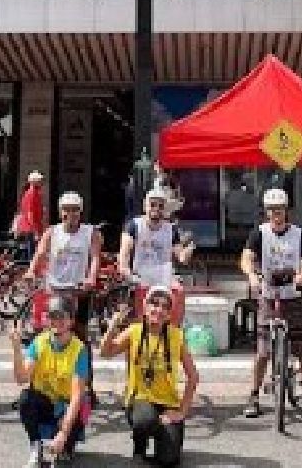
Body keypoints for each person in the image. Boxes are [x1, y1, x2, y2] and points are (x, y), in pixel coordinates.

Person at [239, 187, 302, 419]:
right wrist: (252, 276)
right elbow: (247, 258)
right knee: (263, 350)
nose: (276, 214)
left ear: (287, 211)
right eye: (272, 210)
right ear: (266, 212)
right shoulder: (259, 233)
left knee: (301, 348)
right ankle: (254, 395)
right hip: (268, 293)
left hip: (293, 294)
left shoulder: (299, 234)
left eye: (280, 210)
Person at [101, 283, 199, 466]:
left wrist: (181, 412)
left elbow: (193, 376)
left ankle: (164, 435)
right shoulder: (134, 331)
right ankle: (139, 446)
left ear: (169, 314)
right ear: (145, 307)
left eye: (165, 306)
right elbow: (105, 352)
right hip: (140, 400)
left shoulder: (176, 336)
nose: (158, 310)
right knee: (145, 419)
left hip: (168, 403)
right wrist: (113, 326)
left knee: (169, 460)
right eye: (154, 304)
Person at [11, 293, 89, 467]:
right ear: (47, 319)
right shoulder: (39, 342)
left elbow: (76, 397)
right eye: (53, 316)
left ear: (71, 321)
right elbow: (22, 378)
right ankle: (36, 446)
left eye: (62, 316)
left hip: (66, 405)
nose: (57, 321)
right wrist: (17, 349)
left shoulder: (80, 350)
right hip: (45, 402)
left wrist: (63, 432)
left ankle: (65, 444)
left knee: (65, 448)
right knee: (25, 399)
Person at [26, 191, 103, 356]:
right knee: (51, 331)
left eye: (75, 209)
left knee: (80, 333)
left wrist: (91, 278)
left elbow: (95, 257)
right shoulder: (52, 232)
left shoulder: (91, 232)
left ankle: (85, 377)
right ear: (61, 212)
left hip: (79, 289)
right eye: (66, 209)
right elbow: (39, 254)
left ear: (80, 212)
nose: (71, 214)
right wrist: (31, 270)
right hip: (55, 288)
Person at [120, 189, 195, 319]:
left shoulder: (171, 229)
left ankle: (173, 331)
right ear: (145, 206)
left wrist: (189, 249)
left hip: (164, 277)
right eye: (153, 204)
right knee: (143, 308)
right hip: (141, 276)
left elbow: (182, 258)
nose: (156, 209)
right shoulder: (133, 225)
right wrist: (128, 274)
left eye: (160, 206)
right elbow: (124, 256)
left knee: (179, 291)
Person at [15, 170, 46, 254]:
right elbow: (30, 213)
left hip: (32, 226)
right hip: (30, 227)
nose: (42, 183)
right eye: (40, 181)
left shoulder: (34, 193)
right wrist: (35, 230)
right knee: (32, 251)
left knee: (32, 249)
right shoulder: (32, 194)